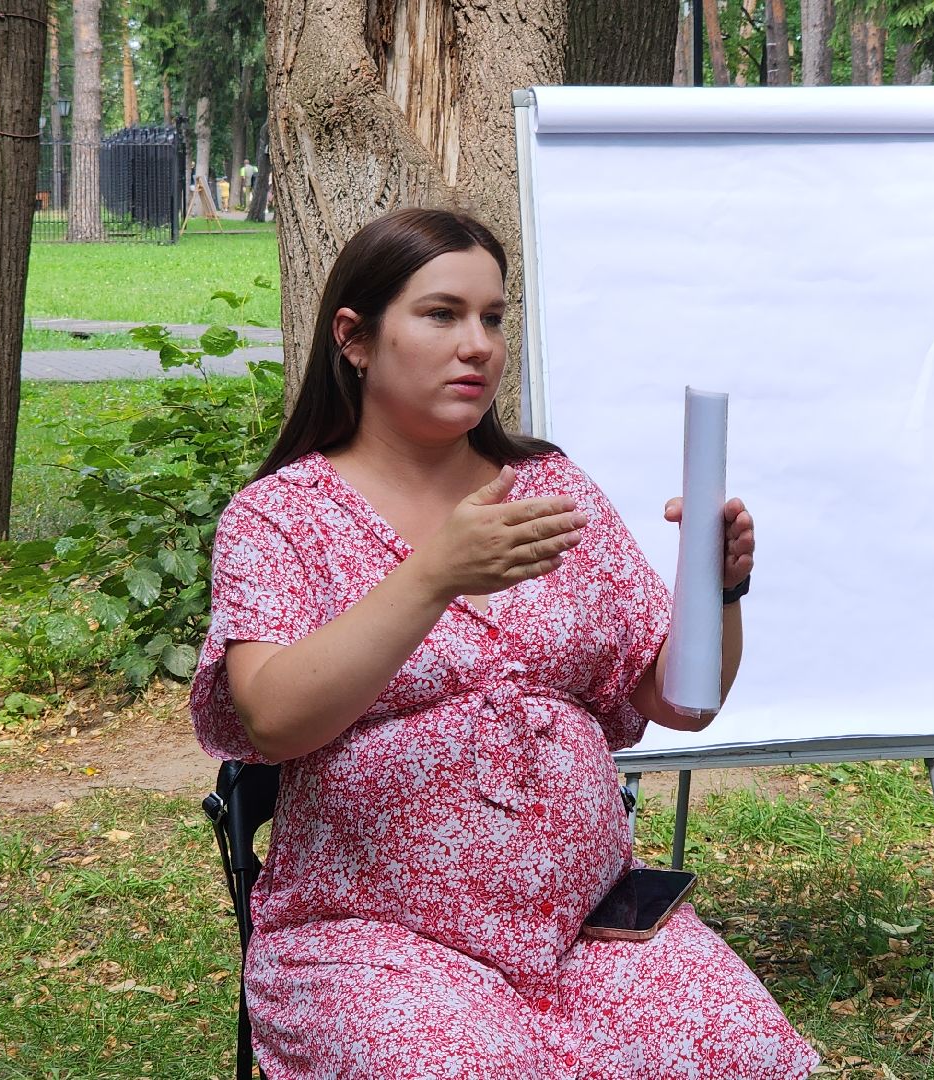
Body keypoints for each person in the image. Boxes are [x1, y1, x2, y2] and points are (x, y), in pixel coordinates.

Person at [188, 208, 819, 1079]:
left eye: (492, 316)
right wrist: (433, 573)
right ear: (355, 338)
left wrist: (719, 591)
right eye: (442, 314)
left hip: (587, 929)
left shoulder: (551, 487)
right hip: (378, 946)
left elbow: (680, 701)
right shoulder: (281, 517)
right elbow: (273, 721)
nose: (477, 343)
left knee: (742, 1053)